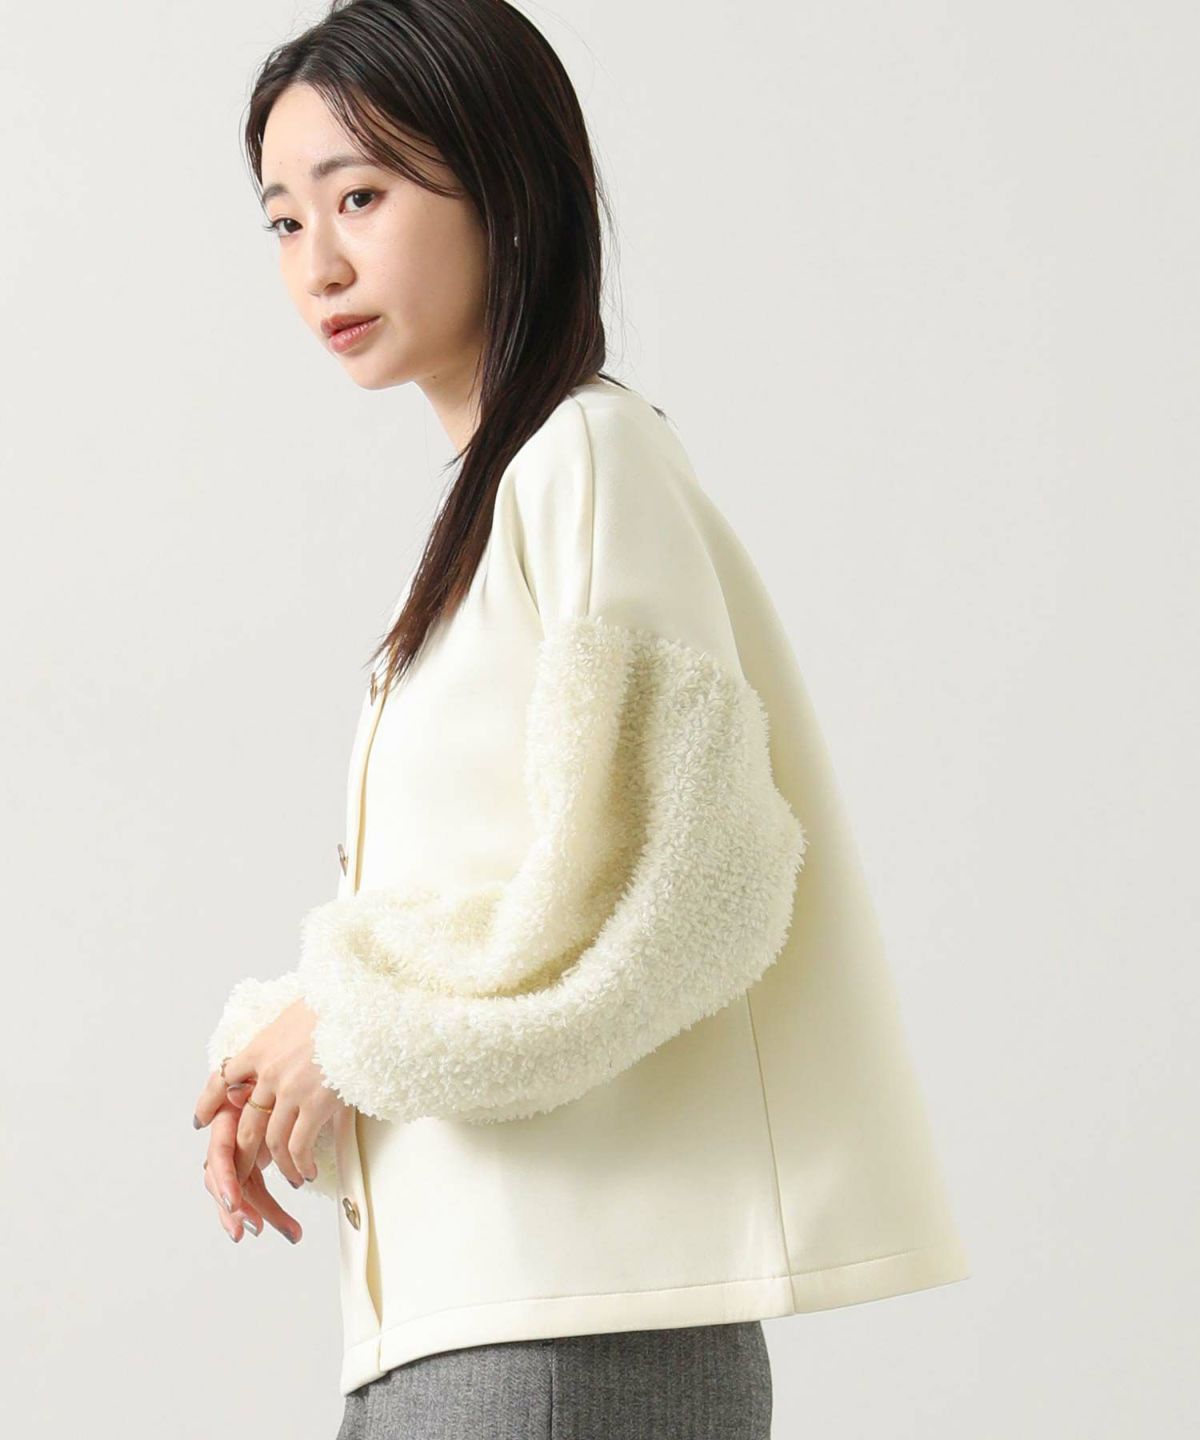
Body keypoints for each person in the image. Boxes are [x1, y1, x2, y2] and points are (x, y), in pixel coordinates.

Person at [192, 2, 971, 1435]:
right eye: (285, 221)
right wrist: (283, 1049)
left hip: (567, 1335)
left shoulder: (586, 458)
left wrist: (345, 1026)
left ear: (506, 184)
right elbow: (502, 898)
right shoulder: (493, 514)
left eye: (360, 197)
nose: (321, 265)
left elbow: (681, 890)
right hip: (456, 1324)